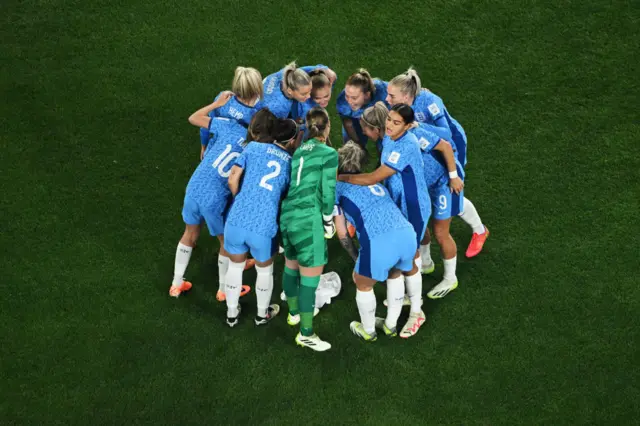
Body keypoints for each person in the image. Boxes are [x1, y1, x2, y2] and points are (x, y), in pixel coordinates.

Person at [337, 104, 432, 337]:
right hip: (397, 203)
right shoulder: (390, 139)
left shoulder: (406, 144)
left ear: (407, 126)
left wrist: (340, 177)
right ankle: (397, 314)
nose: (389, 125)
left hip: (413, 205)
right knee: (400, 263)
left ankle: (416, 310)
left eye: (396, 122)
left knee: (410, 261)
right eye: (389, 119)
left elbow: (373, 177)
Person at [386, 68, 489, 258]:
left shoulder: (429, 101)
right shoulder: (401, 103)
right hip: (432, 148)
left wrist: (418, 126)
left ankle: (479, 230)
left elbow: (447, 134)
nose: (387, 100)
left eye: (391, 96)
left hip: (452, 146)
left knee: (452, 189)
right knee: (440, 189)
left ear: (406, 96)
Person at [333, 142, 420, 341]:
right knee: (395, 272)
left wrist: (356, 257)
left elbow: (342, 233)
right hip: (407, 234)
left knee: (361, 281)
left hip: (380, 242)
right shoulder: (375, 182)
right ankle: (390, 326)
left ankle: (369, 331)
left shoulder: (336, 190)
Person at [169, 93, 251, 299]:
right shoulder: (252, 148)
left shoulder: (225, 125)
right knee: (226, 244)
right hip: (214, 199)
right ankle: (223, 289)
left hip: (194, 187)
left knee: (189, 234)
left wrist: (217, 104)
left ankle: (176, 283)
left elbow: (194, 119)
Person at [223, 111, 297, 327]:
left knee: (235, 267)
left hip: (237, 218)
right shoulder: (290, 163)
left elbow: (232, 178)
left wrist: (240, 199)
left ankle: (231, 315)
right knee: (264, 270)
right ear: (291, 140)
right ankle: (261, 314)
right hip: (264, 225)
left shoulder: (252, 147)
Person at [280, 106, 338, 351]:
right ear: (327, 127)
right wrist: (328, 223)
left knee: (291, 267)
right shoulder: (329, 153)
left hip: (288, 216)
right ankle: (305, 333)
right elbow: (328, 191)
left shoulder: (298, 151)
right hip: (308, 219)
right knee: (309, 280)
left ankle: (293, 313)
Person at [198, 67, 264, 158]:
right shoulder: (256, 115)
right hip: (236, 155)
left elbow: (205, 127)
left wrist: (203, 147)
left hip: (214, 149)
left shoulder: (221, 100)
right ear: (257, 90)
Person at [336, 69, 388, 153]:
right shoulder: (343, 100)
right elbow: (348, 123)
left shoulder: (383, 92)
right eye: (347, 96)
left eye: (354, 98)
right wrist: (358, 145)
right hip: (355, 120)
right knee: (351, 149)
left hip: (379, 117)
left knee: (385, 143)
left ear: (367, 95)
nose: (349, 101)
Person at [262, 62, 337, 118]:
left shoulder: (289, 74)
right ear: (290, 91)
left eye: (310, 91)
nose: (309, 96)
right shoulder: (280, 107)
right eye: (303, 94)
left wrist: (325, 69)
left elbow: (302, 71)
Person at [290, 69, 336, 141]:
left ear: (330, 86)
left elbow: (333, 76)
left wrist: (323, 69)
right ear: (309, 94)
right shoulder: (307, 110)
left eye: (326, 96)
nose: (323, 101)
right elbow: (301, 131)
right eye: (317, 98)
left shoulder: (326, 84)